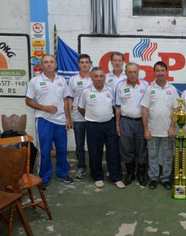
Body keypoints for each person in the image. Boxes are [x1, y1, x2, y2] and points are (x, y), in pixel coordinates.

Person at [25, 54, 73, 190]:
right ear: (42, 65)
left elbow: (65, 100)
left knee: (62, 149)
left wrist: (68, 118)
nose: (49, 64)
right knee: (44, 151)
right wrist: (43, 108)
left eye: (52, 62)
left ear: (56, 64)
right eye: (46, 62)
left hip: (61, 120)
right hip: (43, 120)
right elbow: (28, 100)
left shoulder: (62, 80)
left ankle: (62, 173)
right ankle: (44, 177)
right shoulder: (34, 81)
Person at [78, 67, 125, 189]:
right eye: (96, 76)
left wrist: (115, 124)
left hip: (109, 124)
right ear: (92, 77)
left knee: (113, 152)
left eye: (101, 76)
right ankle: (98, 177)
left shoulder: (110, 90)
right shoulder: (86, 92)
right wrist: (91, 117)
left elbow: (115, 107)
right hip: (93, 126)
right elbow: (80, 108)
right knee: (95, 152)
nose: (99, 79)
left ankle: (116, 177)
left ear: (105, 77)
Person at [140, 61, 179, 190]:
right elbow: (145, 110)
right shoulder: (149, 89)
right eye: (158, 70)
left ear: (166, 72)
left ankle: (166, 178)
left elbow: (176, 110)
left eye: (162, 70)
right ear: (154, 72)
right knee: (152, 156)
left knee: (168, 157)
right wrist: (146, 129)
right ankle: (153, 178)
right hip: (152, 130)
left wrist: (172, 127)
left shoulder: (172, 89)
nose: (160, 73)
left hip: (168, 131)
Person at [115, 62, 149, 186]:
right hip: (126, 121)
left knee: (142, 148)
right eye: (130, 72)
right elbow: (117, 108)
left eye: (135, 72)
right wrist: (117, 125)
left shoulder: (146, 85)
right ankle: (130, 173)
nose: (133, 74)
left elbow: (149, 107)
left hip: (141, 122)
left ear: (138, 72)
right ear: (126, 72)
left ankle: (141, 174)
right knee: (126, 148)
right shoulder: (120, 86)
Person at [68, 54, 92, 179]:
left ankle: (94, 167)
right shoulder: (73, 80)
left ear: (90, 64)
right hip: (78, 118)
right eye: (82, 62)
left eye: (86, 62)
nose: (84, 64)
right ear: (78, 64)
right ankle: (81, 167)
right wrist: (69, 117)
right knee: (79, 145)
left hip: (93, 118)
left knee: (94, 144)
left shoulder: (95, 78)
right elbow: (69, 100)